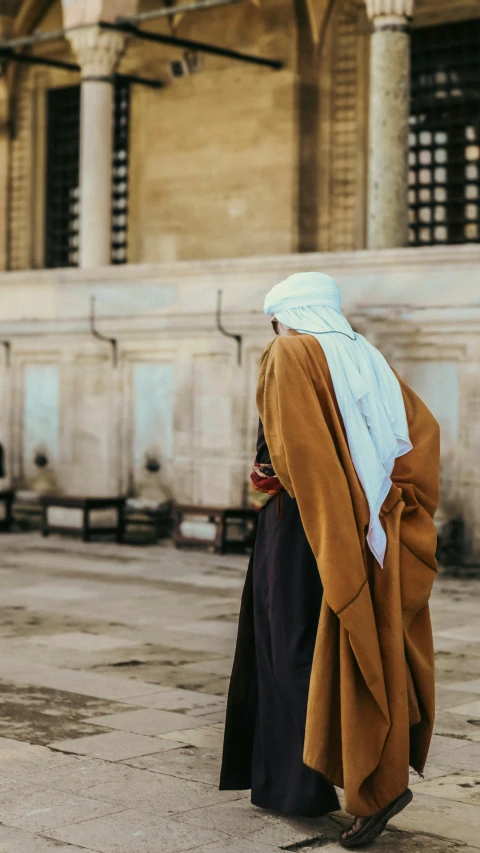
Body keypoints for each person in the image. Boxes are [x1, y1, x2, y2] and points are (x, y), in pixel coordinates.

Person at [219, 272, 440, 848]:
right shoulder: (364, 354)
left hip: (303, 527)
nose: (275, 330)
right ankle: (342, 782)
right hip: (358, 528)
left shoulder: (289, 352)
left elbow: (297, 455)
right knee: (330, 651)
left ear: (285, 315)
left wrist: (285, 488)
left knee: (288, 646)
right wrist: (374, 509)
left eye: (275, 320)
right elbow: (419, 435)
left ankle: (300, 788)